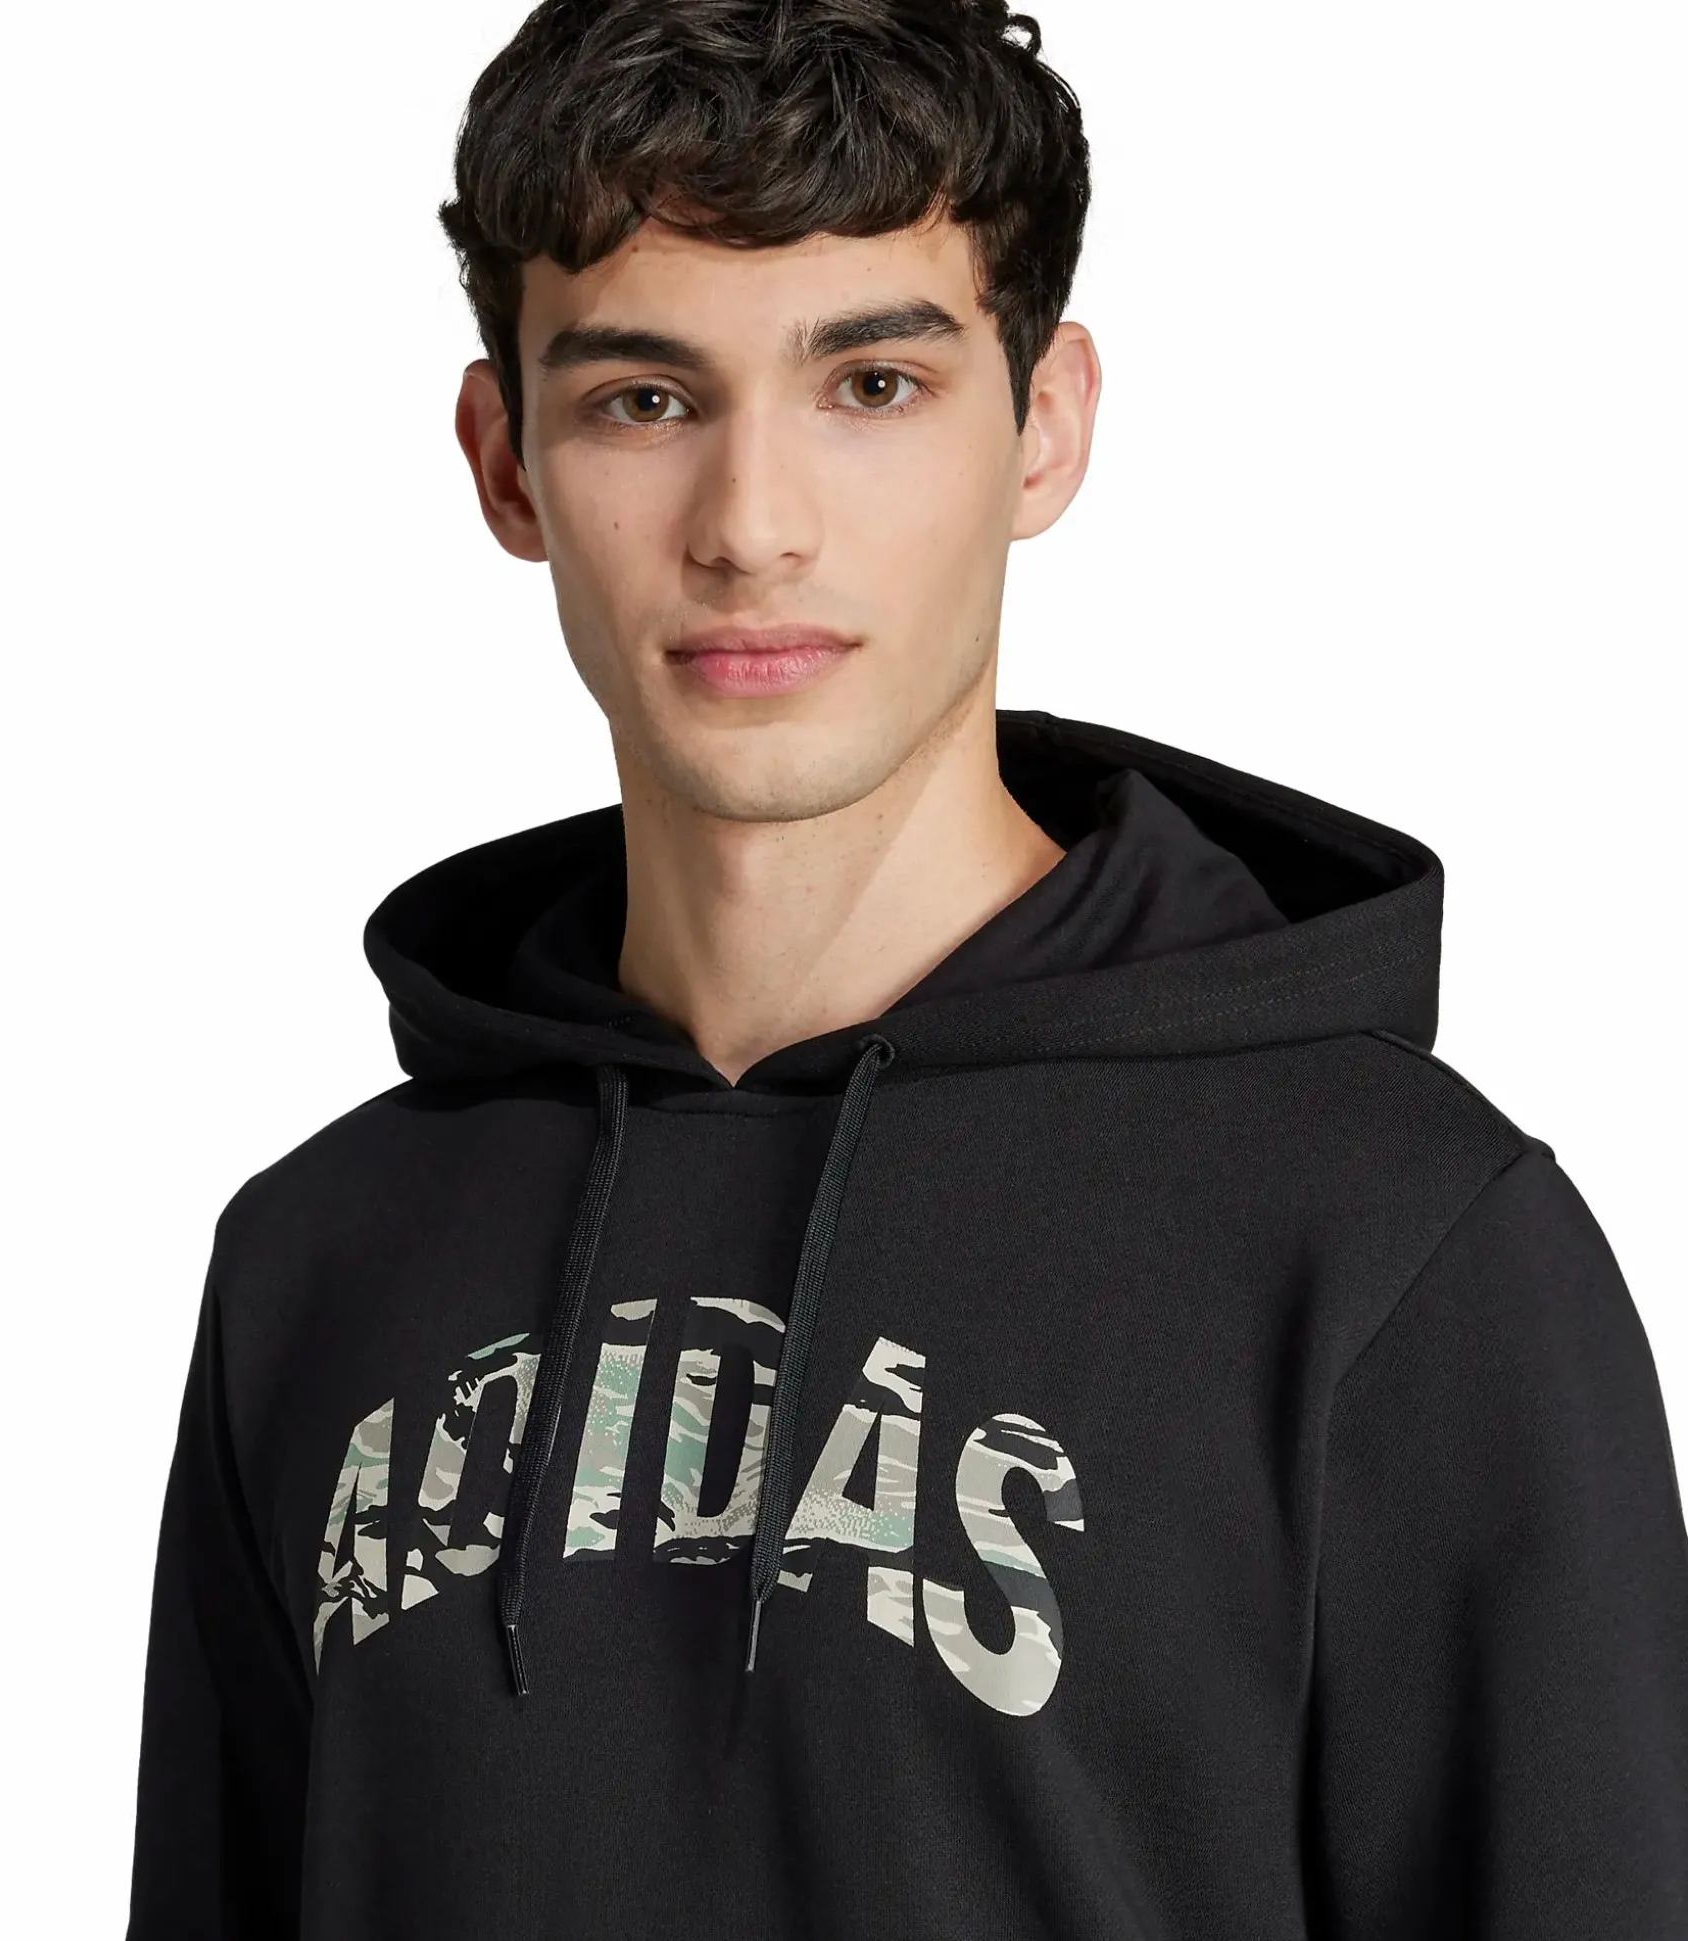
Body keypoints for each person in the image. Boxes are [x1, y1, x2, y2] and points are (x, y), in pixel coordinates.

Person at [124, 2, 1688, 1934]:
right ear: (505, 462)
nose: (751, 529)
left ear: (1046, 425)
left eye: (872, 385)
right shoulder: (323, 1256)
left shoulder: (1399, 1245)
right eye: (644, 401)